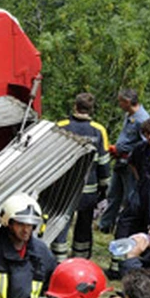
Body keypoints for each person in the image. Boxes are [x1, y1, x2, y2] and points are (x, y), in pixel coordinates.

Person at [53, 92, 110, 260]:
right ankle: (81, 260)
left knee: (61, 223)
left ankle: (58, 261)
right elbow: (104, 163)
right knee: (84, 227)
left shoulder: (60, 125)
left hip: (64, 188)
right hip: (89, 190)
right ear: (91, 110)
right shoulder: (99, 130)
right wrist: (104, 188)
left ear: (75, 106)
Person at [98, 88, 150, 234]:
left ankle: (127, 227)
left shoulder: (142, 119)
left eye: (121, 101)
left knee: (129, 197)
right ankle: (105, 224)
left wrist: (127, 153)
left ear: (127, 102)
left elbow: (145, 145)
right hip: (120, 161)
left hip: (130, 165)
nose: (119, 104)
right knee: (113, 194)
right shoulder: (129, 115)